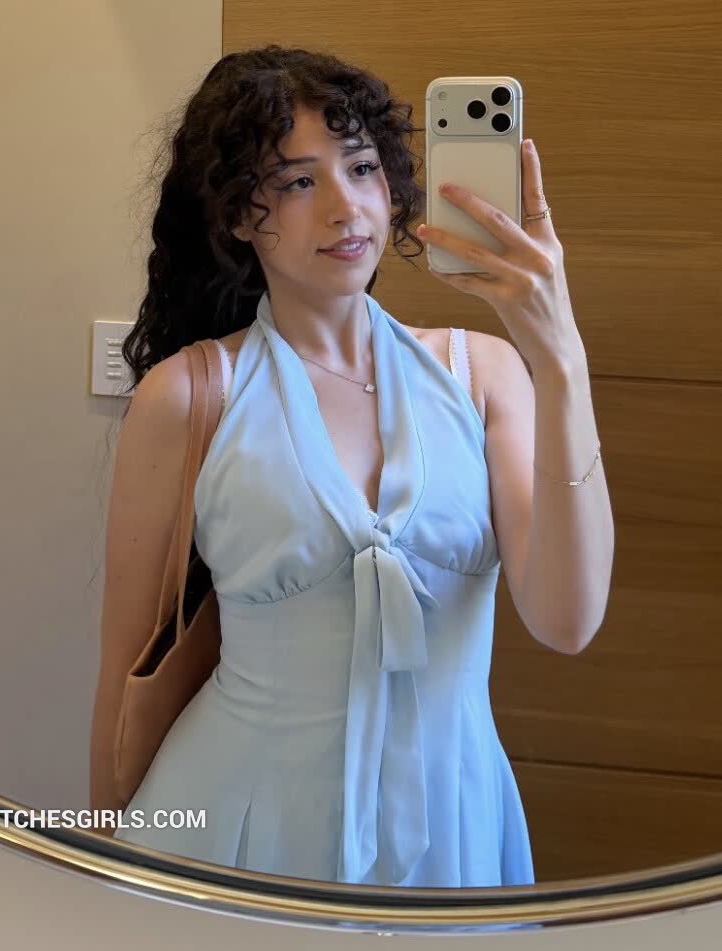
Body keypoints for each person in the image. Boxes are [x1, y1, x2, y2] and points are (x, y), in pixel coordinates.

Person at [90, 44, 613, 887]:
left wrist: (559, 357)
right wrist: (96, 879)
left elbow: (567, 620)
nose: (346, 208)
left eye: (362, 167)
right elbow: (124, 677)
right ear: (236, 215)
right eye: (298, 181)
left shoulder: (481, 374)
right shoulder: (187, 396)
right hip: (235, 821)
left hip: (452, 821)